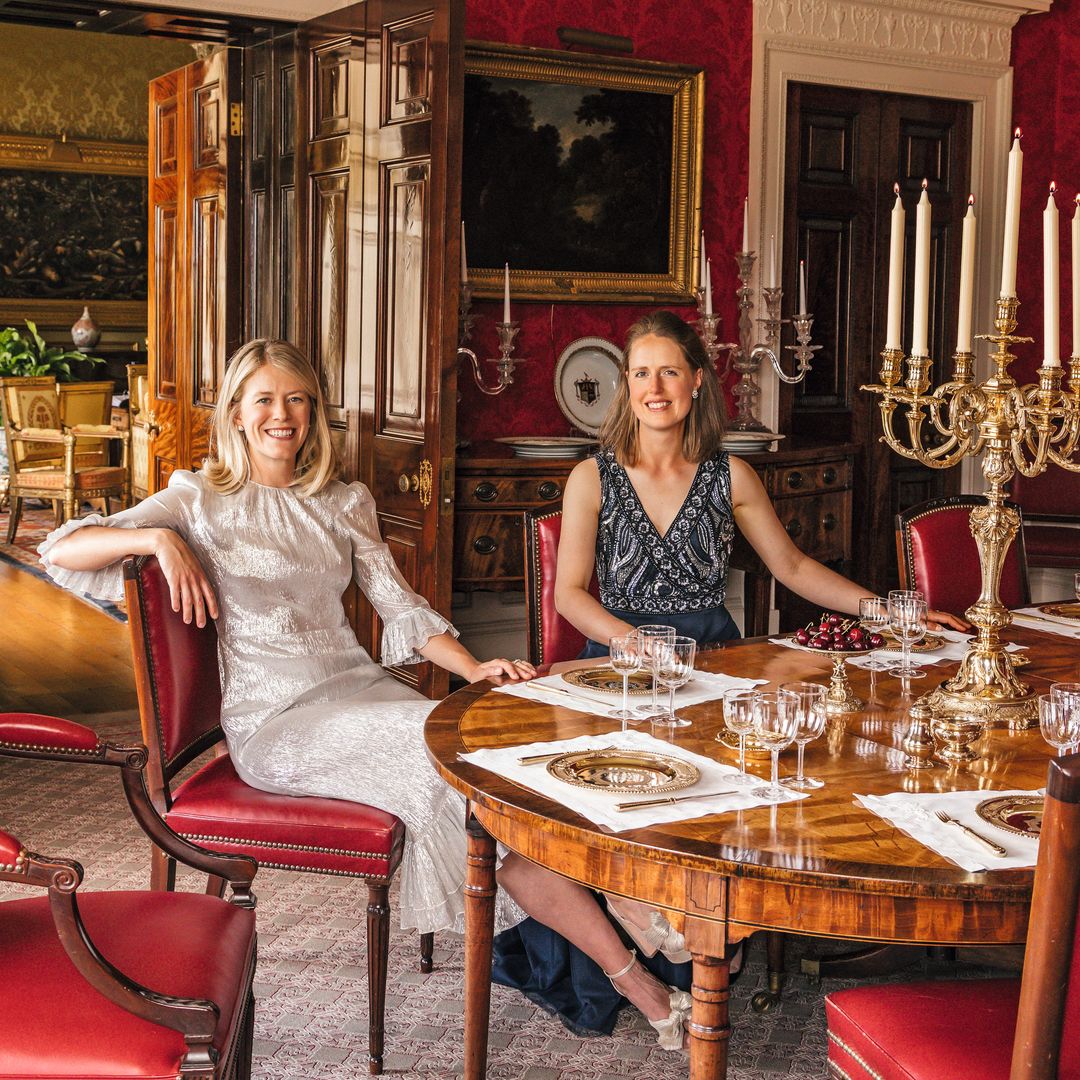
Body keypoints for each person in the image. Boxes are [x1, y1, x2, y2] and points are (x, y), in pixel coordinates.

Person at [38, 338, 695, 1052]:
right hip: (278, 723)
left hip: (360, 692)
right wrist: (158, 543)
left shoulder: (343, 500)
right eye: (264, 399)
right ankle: (635, 950)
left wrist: (472, 668)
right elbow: (61, 550)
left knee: (493, 754)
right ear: (234, 412)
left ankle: (636, 968)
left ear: (315, 413)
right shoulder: (198, 499)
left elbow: (401, 608)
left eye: (297, 400)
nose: (281, 416)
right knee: (458, 771)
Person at [493, 310, 969, 1033]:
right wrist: (633, 642)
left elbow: (795, 566)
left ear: (696, 383)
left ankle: (705, 934)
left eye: (670, 372)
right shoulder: (592, 475)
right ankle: (638, 945)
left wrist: (889, 611)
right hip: (619, 668)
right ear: (626, 386)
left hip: (717, 665)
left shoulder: (729, 474)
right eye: (642, 373)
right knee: (591, 820)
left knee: (726, 809)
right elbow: (569, 594)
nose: (655, 387)